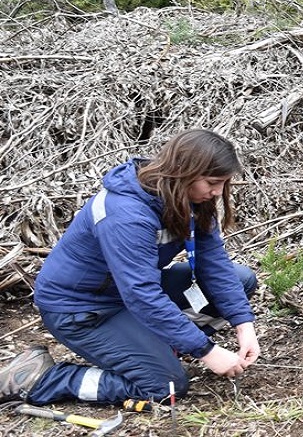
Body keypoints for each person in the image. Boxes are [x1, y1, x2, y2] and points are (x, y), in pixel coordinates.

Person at [0, 129, 259, 406]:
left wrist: (244, 326)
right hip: (82, 309)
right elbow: (141, 294)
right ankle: (46, 379)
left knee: (241, 280)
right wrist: (206, 350)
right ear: (184, 171)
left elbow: (215, 265)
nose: (217, 192)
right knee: (165, 388)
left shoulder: (190, 199)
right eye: (212, 182)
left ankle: (158, 348)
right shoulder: (126, 212)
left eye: (223, 183)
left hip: (126, 293)